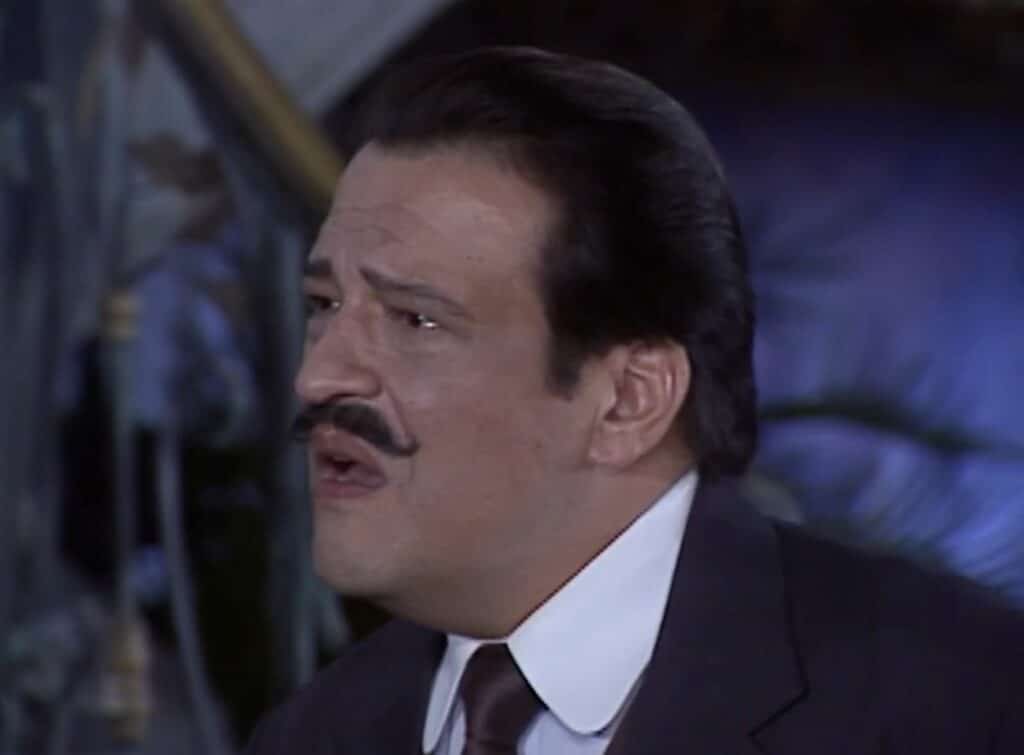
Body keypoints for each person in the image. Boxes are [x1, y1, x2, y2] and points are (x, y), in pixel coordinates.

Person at [245, 46, 1023, 754]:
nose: (319, 377)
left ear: (627, 402)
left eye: (416, 319)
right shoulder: (312, 735)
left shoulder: (959, 702)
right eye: (323, 305)